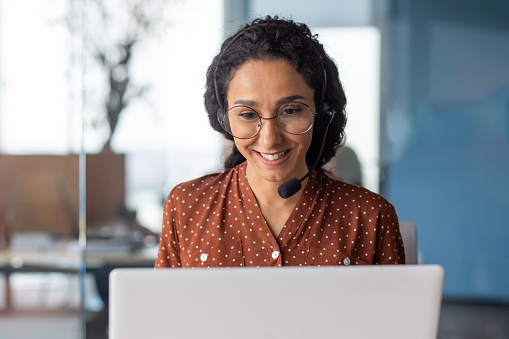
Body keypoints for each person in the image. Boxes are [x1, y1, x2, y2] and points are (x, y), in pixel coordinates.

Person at [155, 16, 405, 268]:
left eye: (291, 111)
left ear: (323, 114)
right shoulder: (186, 206)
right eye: (248, 114)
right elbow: (161, 307)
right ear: (224, 119)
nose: (270, 138)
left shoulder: (370, 216)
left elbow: (397, 308)